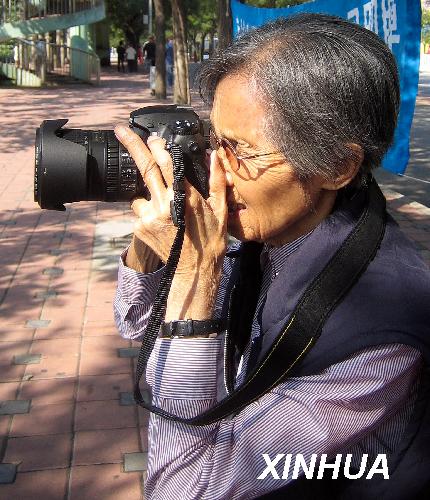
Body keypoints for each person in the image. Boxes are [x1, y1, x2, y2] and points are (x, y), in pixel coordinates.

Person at [113, 14, 430, 499]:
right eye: (214, 141)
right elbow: (137, 322)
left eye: (240, 150)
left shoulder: (381, 336)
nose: (214, 170)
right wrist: (152, 239)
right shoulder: (269, 226)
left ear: (337, 166)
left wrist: (197, 277)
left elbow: (185, 488)